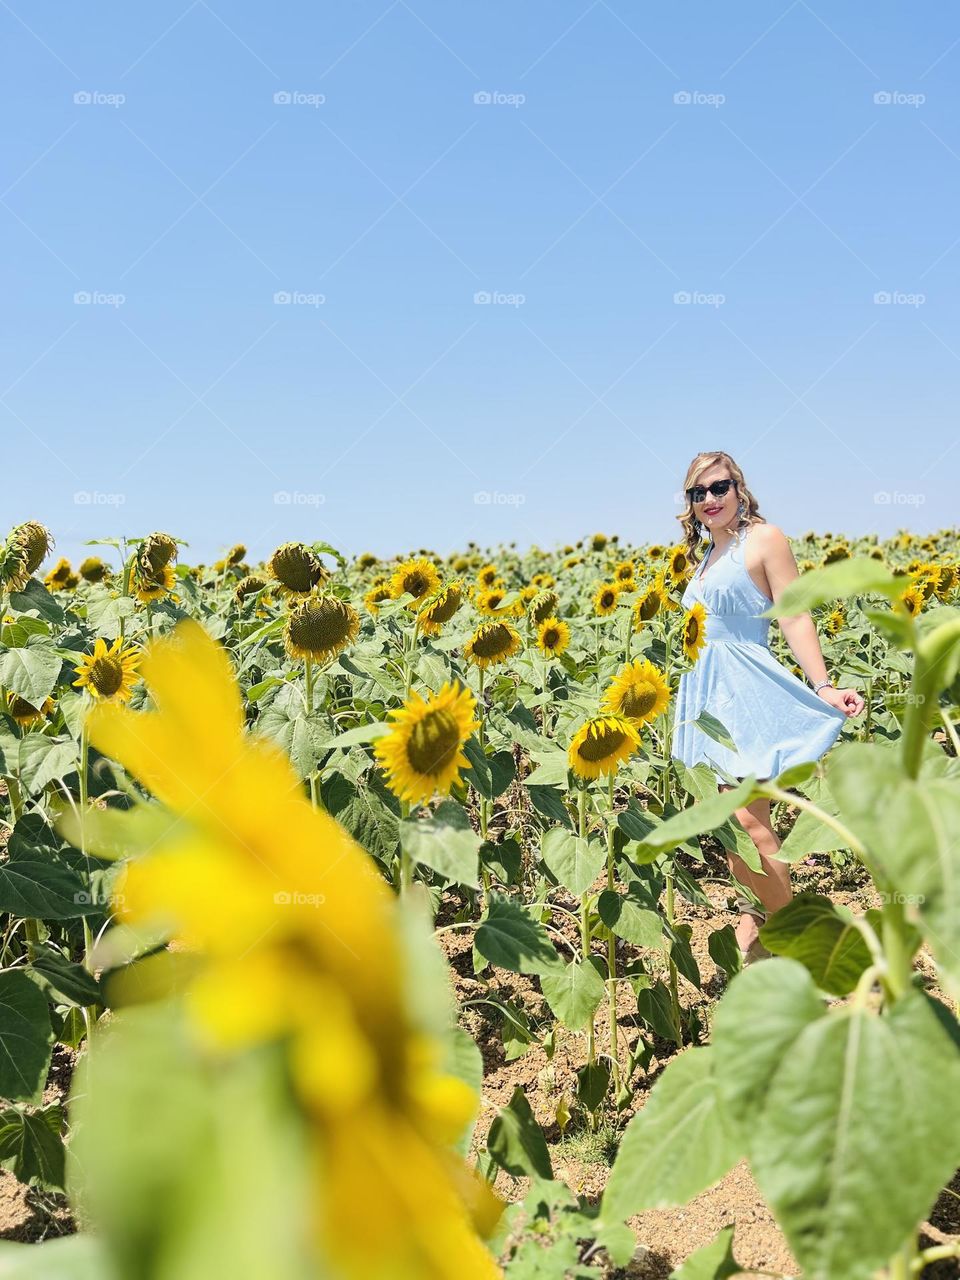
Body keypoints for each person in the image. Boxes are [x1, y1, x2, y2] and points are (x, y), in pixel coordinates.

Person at [669, 451, 865, 964]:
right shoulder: (704, 557)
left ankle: (794, 936)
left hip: (747, 691)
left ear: (739, 488)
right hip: (706, 697)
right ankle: (757, 923)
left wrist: (821, 685)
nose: (709, 499)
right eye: (697, 493)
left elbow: (793, 615)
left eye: (718, 488)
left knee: (746, 824)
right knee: (731, 827)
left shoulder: (764, 539)